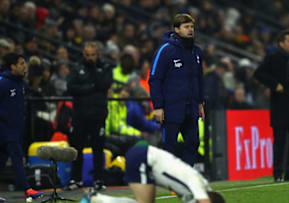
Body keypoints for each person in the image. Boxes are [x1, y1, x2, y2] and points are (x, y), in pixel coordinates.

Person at [148, 13, 205, 166]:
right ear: (176, 29)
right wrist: (158, 107)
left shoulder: (196, 52)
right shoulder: (165, 50)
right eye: (186, 27)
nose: (190, 30)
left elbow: (199, 78)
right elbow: (154, 79)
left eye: (192, 27)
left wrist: (200, 103)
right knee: (169, 147)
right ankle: (170, 181)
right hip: (171, 108)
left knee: (193, 143)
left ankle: (185, 179)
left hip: (191, 107)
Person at [254, 29, 289, 182]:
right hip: (280, 105)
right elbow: (258, 73)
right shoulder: (273, 57)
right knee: (280, 142)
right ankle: (278, 174)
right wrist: (274, 84)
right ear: (281, 43)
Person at [66, 42, 113, 190]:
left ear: (98, 54)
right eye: (87, 55)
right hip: (79, 114)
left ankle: (98, 180)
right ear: (83, 54)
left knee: (98, 148)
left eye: (93, 55)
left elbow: (104, 84)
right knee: (76, 148)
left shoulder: (105, 67)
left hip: (98, 115)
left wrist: (89, 82)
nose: (90, 58)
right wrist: (92, 87)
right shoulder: (76, 67)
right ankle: (76, 179)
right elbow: (71, 87)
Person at [0, 53, 43, 200]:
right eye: (21, 64)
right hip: (6, 130)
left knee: (1, 162)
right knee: (18, 158)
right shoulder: (3, 83)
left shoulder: (20, 83)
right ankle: (27, 189)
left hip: (15, 130)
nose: (25, 66)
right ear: (12, 67)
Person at [124, 143, 225, 203]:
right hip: (142, 158)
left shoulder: (196, 189)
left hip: (144, 156)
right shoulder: (197, 183)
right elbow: (204, 201)